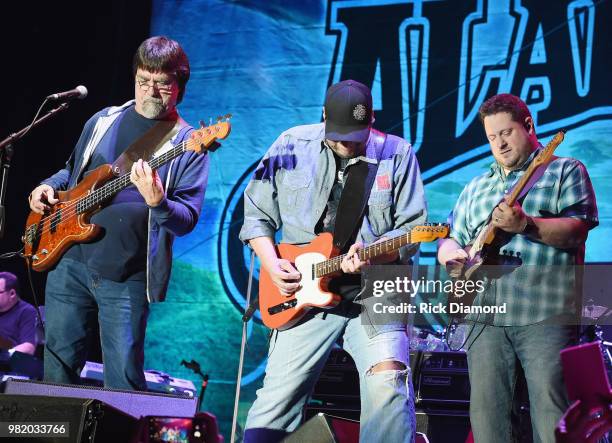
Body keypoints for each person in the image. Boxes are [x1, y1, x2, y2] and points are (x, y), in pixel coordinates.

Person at [239, 79, 427, 442]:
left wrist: (376, 254)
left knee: (387, 387)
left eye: (356, 135)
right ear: (323, 116)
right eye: (338, 133)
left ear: (372, 119)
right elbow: (256, 215)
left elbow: (412, 230)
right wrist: (271, 261)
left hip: (376, 291)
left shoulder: (397, 154)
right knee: (275, 403)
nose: (346, 143)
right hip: (302, 292)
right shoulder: (291, 143)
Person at [28, 36, 210, 390]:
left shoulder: (188, 145)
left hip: (127, 278)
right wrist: (47, 186)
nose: (150, 93)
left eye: (162, 85)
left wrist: (158, 201)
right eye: (144, 82)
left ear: (179, 87)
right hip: (69, 262)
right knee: (57, 373)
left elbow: (186, 220)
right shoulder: (102, 121)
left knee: (123, 381)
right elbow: (71, 171)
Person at [437, 93, 598, 442]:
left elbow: (577, 229)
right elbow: (450, 239)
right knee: (487, 418)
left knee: (551, 414)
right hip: (485, 317)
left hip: (544, 312)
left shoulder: (564, 170)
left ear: (528, 126)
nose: (500, 143)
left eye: (506, 132)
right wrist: (451, 255)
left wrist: (526, 225)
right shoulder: (476, 188)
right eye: (492, 137)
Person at [0, 272, 37, 356]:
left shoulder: (27, 311)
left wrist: (4, 355)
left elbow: (29, 347)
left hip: (11, 365)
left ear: (12, 293)